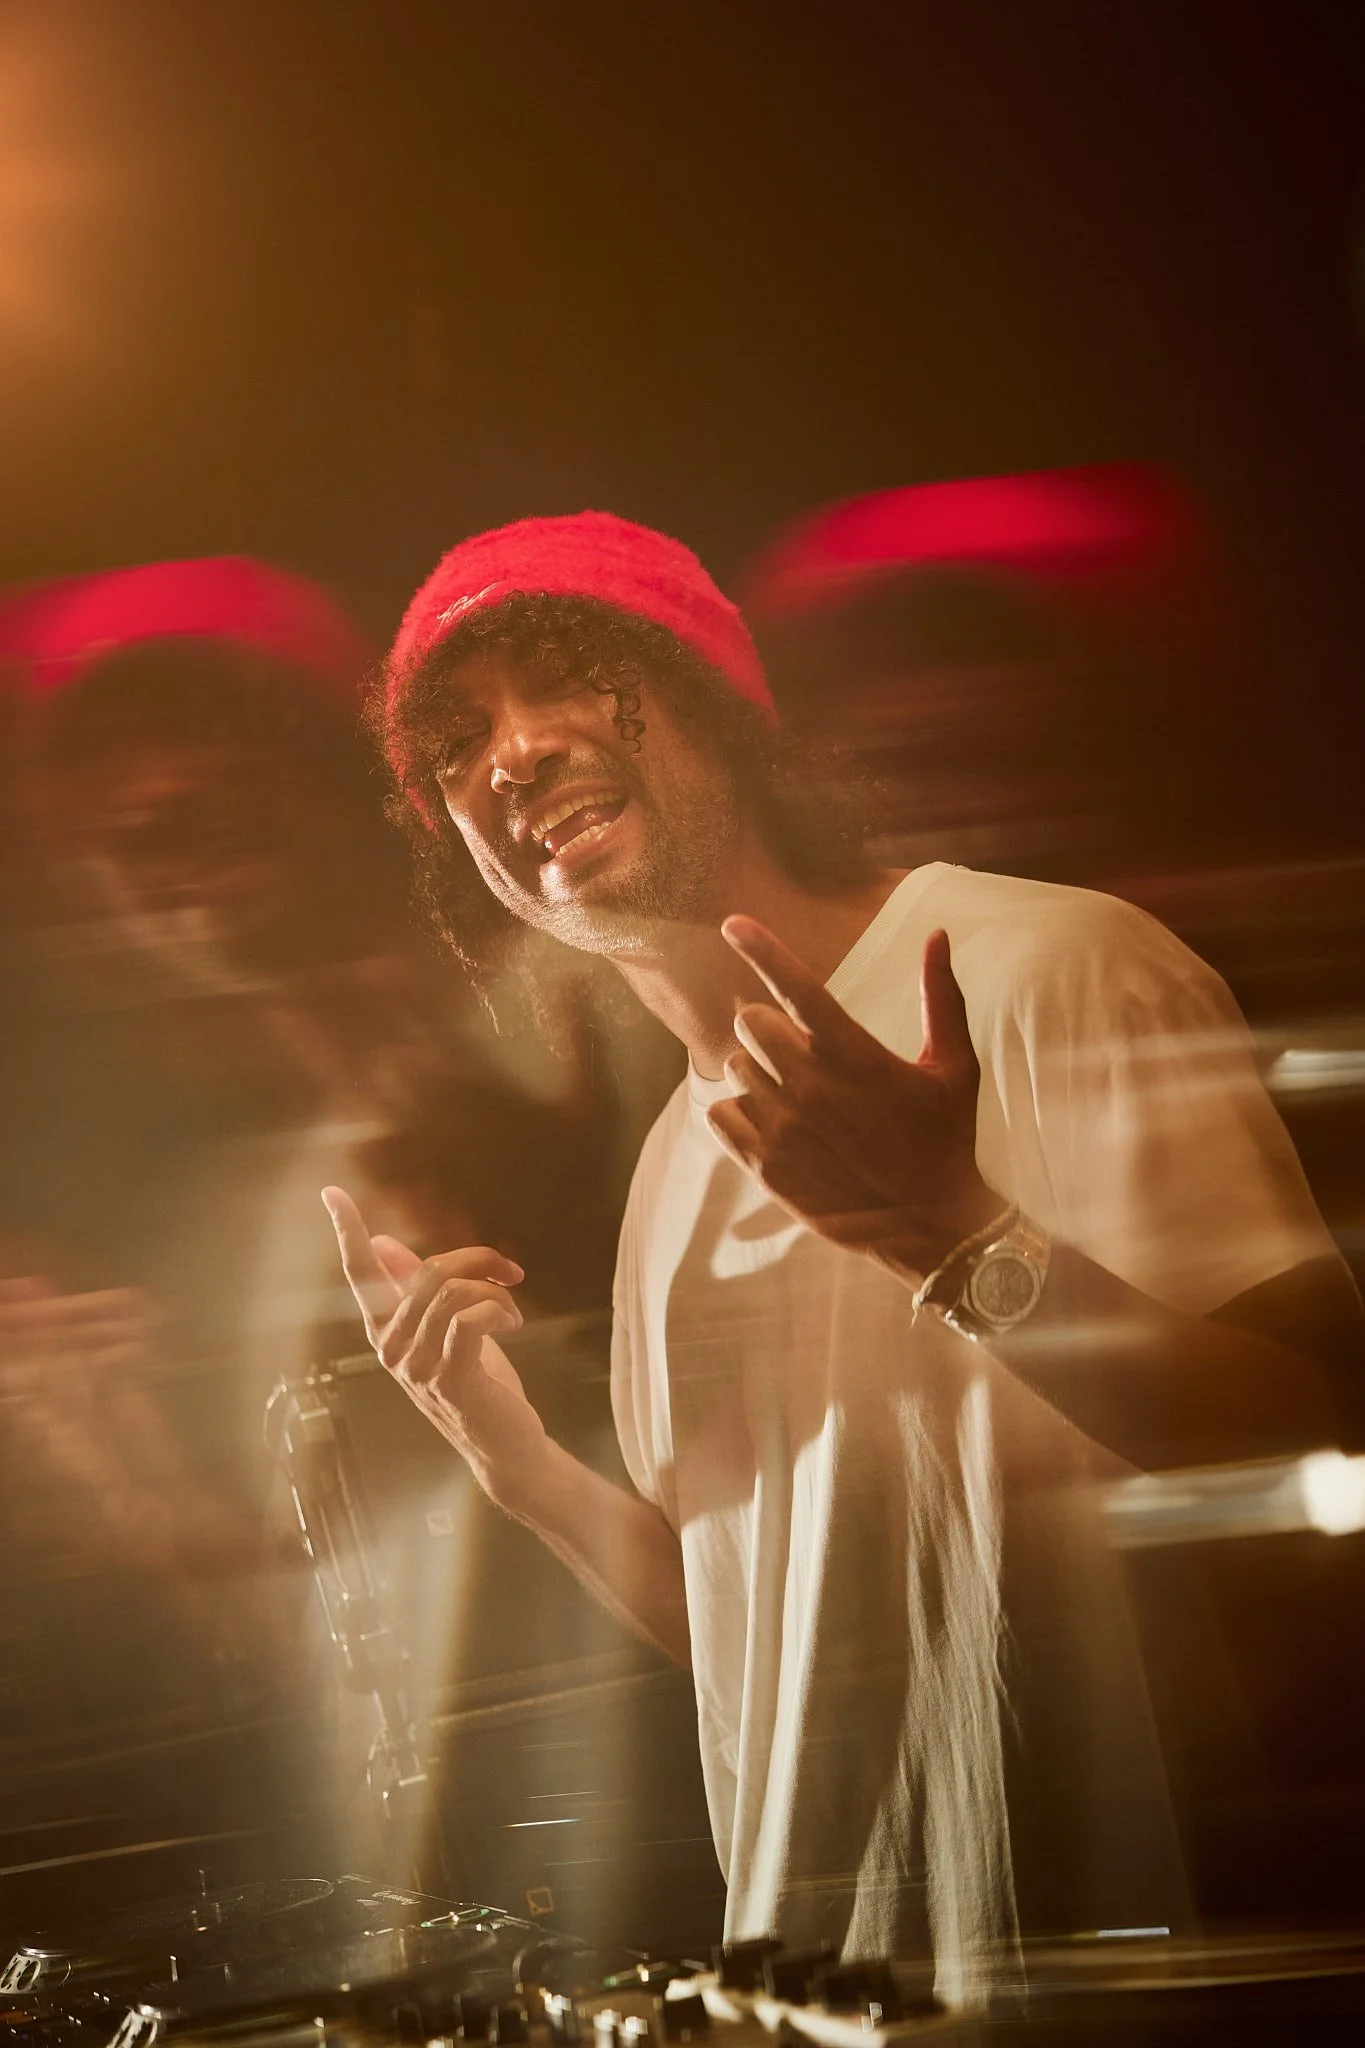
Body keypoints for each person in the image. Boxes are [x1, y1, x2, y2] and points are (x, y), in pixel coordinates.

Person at [324, 511, 1364, 2004]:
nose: (510, 755)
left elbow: (1325, 1450)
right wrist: (526, 1474)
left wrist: (960, 1242)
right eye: (455, 744)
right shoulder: (669, 1173)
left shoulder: (1044, 968)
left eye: (564, 679)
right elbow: (772, 1649)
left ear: (713, 702)